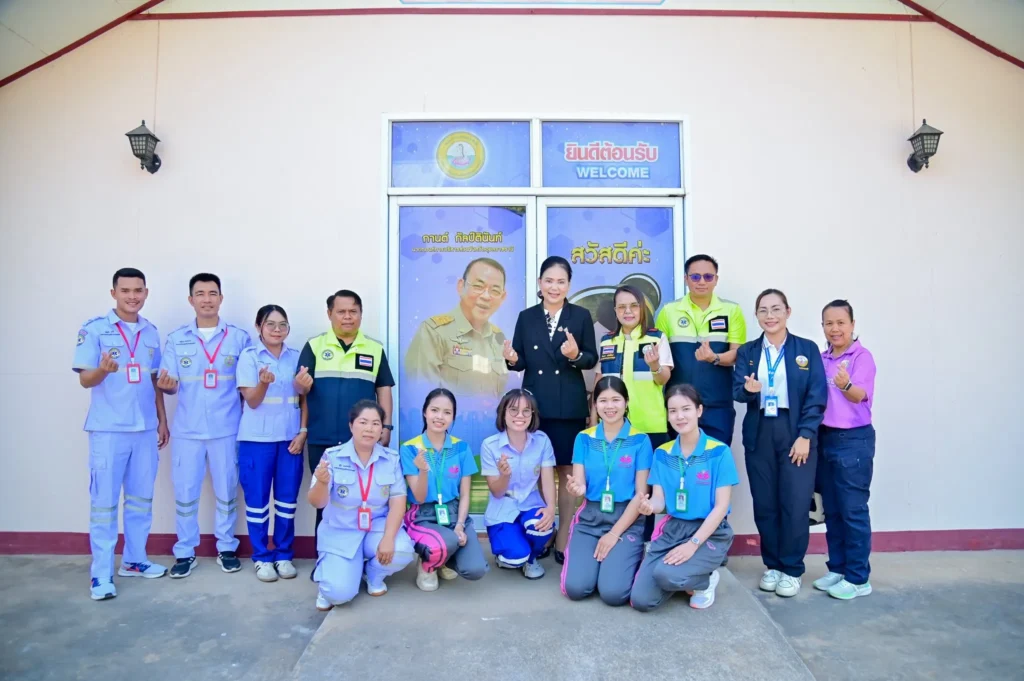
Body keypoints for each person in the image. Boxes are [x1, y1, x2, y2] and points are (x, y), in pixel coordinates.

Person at [73, 268, 169, 600]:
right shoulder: (94, 329)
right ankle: (101, 574)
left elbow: (154, 381)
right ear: (113, 293)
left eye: (138, 290)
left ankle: (135, 560)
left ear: (146, 293)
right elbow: (85, 379)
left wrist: (162, 420)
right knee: (104, 504)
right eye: (125, 290)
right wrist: (102, 370)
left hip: (144, 428)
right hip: (109, 429)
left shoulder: (151, 332)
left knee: (141, 500)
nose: (132, 296)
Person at [503, 256, 597, 564]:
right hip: (535, 408)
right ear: (539, 283)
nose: (554, 287)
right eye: (549, 281)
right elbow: (520, 360)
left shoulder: (580, 315)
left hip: (568, 406)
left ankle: (564, 533)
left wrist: (575, 354)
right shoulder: (526, 317)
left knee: (567, 472)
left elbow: (591, 359)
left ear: (568, 285)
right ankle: (543, 529)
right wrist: (512, 359)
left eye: (561, 282)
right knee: (539, 470)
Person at [733, 289, 827, 598]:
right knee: (765, 503)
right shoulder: (748, 351)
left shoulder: (806, 349)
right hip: (760, 431)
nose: (770, 316)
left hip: (795, 431)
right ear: (756, 315)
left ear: (788, 311)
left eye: (776, 309)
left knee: (795, 503)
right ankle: (772, 565)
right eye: (763, 310)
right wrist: (748, 390)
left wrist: (806, 435)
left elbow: (817, 395)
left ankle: (792, 568)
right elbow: (737, 391)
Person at [157, 273, 252, 579]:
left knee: (227, 491)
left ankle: (226, 547)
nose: (207, 299)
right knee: (185, 493)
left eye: (213, 293)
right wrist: (168, 386)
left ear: (221, 298)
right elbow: (170, 384)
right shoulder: (177, 339)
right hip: (188, 430)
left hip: (227, 429)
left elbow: (247, 385)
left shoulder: (239, 338)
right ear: (191, 300)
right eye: (200, 294)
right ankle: (185, 551)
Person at [630, 384, 740, 612]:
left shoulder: (719, 452)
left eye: (686, 409)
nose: (679, 416)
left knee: (666, 574)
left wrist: (693, 545)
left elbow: (721, 507)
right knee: (641, 599)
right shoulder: (662, 453)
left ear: (699, 410)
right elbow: (659, 501)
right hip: (674, 529)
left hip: (710, 531)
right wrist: (649, 506)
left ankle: (705, 580)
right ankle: (683, 576)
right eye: (673, 411)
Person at [295, 289, 395, 536]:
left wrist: (386, 426)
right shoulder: (314, 346)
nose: (347, 317)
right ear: (330, 314)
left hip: (363, 439)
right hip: (322, 437)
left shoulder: (374, 348)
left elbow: (383, 389)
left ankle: (360, 551)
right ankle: (325, 554)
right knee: (324, 498)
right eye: (341, 311)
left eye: (353, 311)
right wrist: (301, 385)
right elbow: (300, 390)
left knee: (363, 495)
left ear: (361, 314)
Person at [309, 400, 415, 611]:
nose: (369, 428)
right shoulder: (332, 456)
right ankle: (331, 577)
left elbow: (397, 502)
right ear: (351, 426)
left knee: (402, 550)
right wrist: (321, 483)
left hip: (375, 528)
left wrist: (388, 538)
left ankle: (372, 574)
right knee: (338, 595)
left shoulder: (391, 459)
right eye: (363, 422)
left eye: (376, 423)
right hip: (341, 531)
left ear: (382, 429)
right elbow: (317, 502)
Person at [560, 377, 652, 606]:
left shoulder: (640, 441)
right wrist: (577, 488)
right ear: (595, 405)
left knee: (613, 594)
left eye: (616, 400)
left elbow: (641, 495)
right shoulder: (584, 438)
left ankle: (625, 557)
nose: (609, 406)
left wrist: (613, 534)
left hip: (626, 519)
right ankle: (599, 566)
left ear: (626, 402)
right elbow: (579, 483)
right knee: (576, 589)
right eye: (603, 401)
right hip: (590, 518)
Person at [592, 285, 672, 541]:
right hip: (613, 427)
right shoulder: (607, 341)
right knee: (616, 483)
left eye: (633, 306)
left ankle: (644, 542)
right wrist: (593, 419)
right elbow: (599, 381)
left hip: (649, 426)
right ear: (615, 311)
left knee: (645, 490)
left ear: (642, 309)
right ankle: (615, 539)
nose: (628, 311)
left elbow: (663, 379)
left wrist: (655, 365)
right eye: (622, 307)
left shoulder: (656, 338)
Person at [236, 305, 308, 583]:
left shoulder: (296, 356)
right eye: (270, 324)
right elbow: (252, 401)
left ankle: (283, 555)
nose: (277, 330)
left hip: (290, 439)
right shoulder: (249, 357)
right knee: (257, 502)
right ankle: (261, 558)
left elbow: (304, 398)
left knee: (287, 501)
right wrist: (263, 384)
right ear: (259, 327)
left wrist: (303, 431)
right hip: (257, 440)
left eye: (282, 325)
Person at [813, 300, 877, 601]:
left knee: (853, 511)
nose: (835, 329)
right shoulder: (822, 358)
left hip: (853, 441)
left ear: (852, 324)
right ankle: (838, 568)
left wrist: (845, 384)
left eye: (841, 322)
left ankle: (858, 578)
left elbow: (859, 395)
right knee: (833, 510)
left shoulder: (862, 357)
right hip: (825, 438)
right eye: (829, 323)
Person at [401, 388, 489, 592]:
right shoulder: (410, 448)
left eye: (447, 412)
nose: (440, 417)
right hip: (422, 514)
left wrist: (460, 525)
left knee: (475, 569)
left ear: (453, 417)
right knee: (446, 541)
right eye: (434, 410)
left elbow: (465, 493)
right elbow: (419, 497)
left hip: (453, 512)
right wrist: (423, 471)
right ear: (425, 412)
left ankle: (443, 558)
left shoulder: (461, 447)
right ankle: (427, 565)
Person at [656, 254, 746, 445]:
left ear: (716, 279)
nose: (702, 282)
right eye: (695, 277)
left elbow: (738, 354)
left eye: (708, 276)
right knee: (679, 459)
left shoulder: (732, 310)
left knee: (715, 457)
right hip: (678, 405)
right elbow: (661, 361)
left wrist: (715, 357)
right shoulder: (668, 311)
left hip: (717, 404)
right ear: (686, 279)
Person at [405, 257, 510, 397]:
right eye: (478, 286)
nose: (486, 296)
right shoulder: (434, 332)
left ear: (502, 297)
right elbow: (421, 394)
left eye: (495, 291)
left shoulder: (498, 340)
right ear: (461, 286)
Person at [480, 389, 556, 579]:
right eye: (513, 410)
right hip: (502, 509)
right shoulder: (489, 445)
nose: (520, 416)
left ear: (533, 414)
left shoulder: (542, 440)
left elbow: (547, 480)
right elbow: (497, 492)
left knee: (542, 526)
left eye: (526, 411)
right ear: (503, 413)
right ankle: (514, 552)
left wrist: (550, 508)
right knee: (514, 557)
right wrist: (504, 475)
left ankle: (532, 559)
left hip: (531, 503)